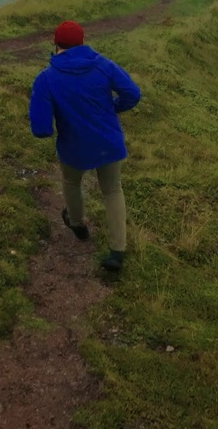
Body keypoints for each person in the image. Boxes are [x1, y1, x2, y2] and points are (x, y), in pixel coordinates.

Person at [29, 21, 142, 271]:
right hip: (108, 142)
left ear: (55, 43)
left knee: (72, 182)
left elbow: (41, 129)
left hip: (74, 145)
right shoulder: (102, 65)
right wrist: (113, 108)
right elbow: (132, 94)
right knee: (112, 190)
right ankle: (117, 252)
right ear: (83, 41)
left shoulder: (46, 79)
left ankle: (78, 224)